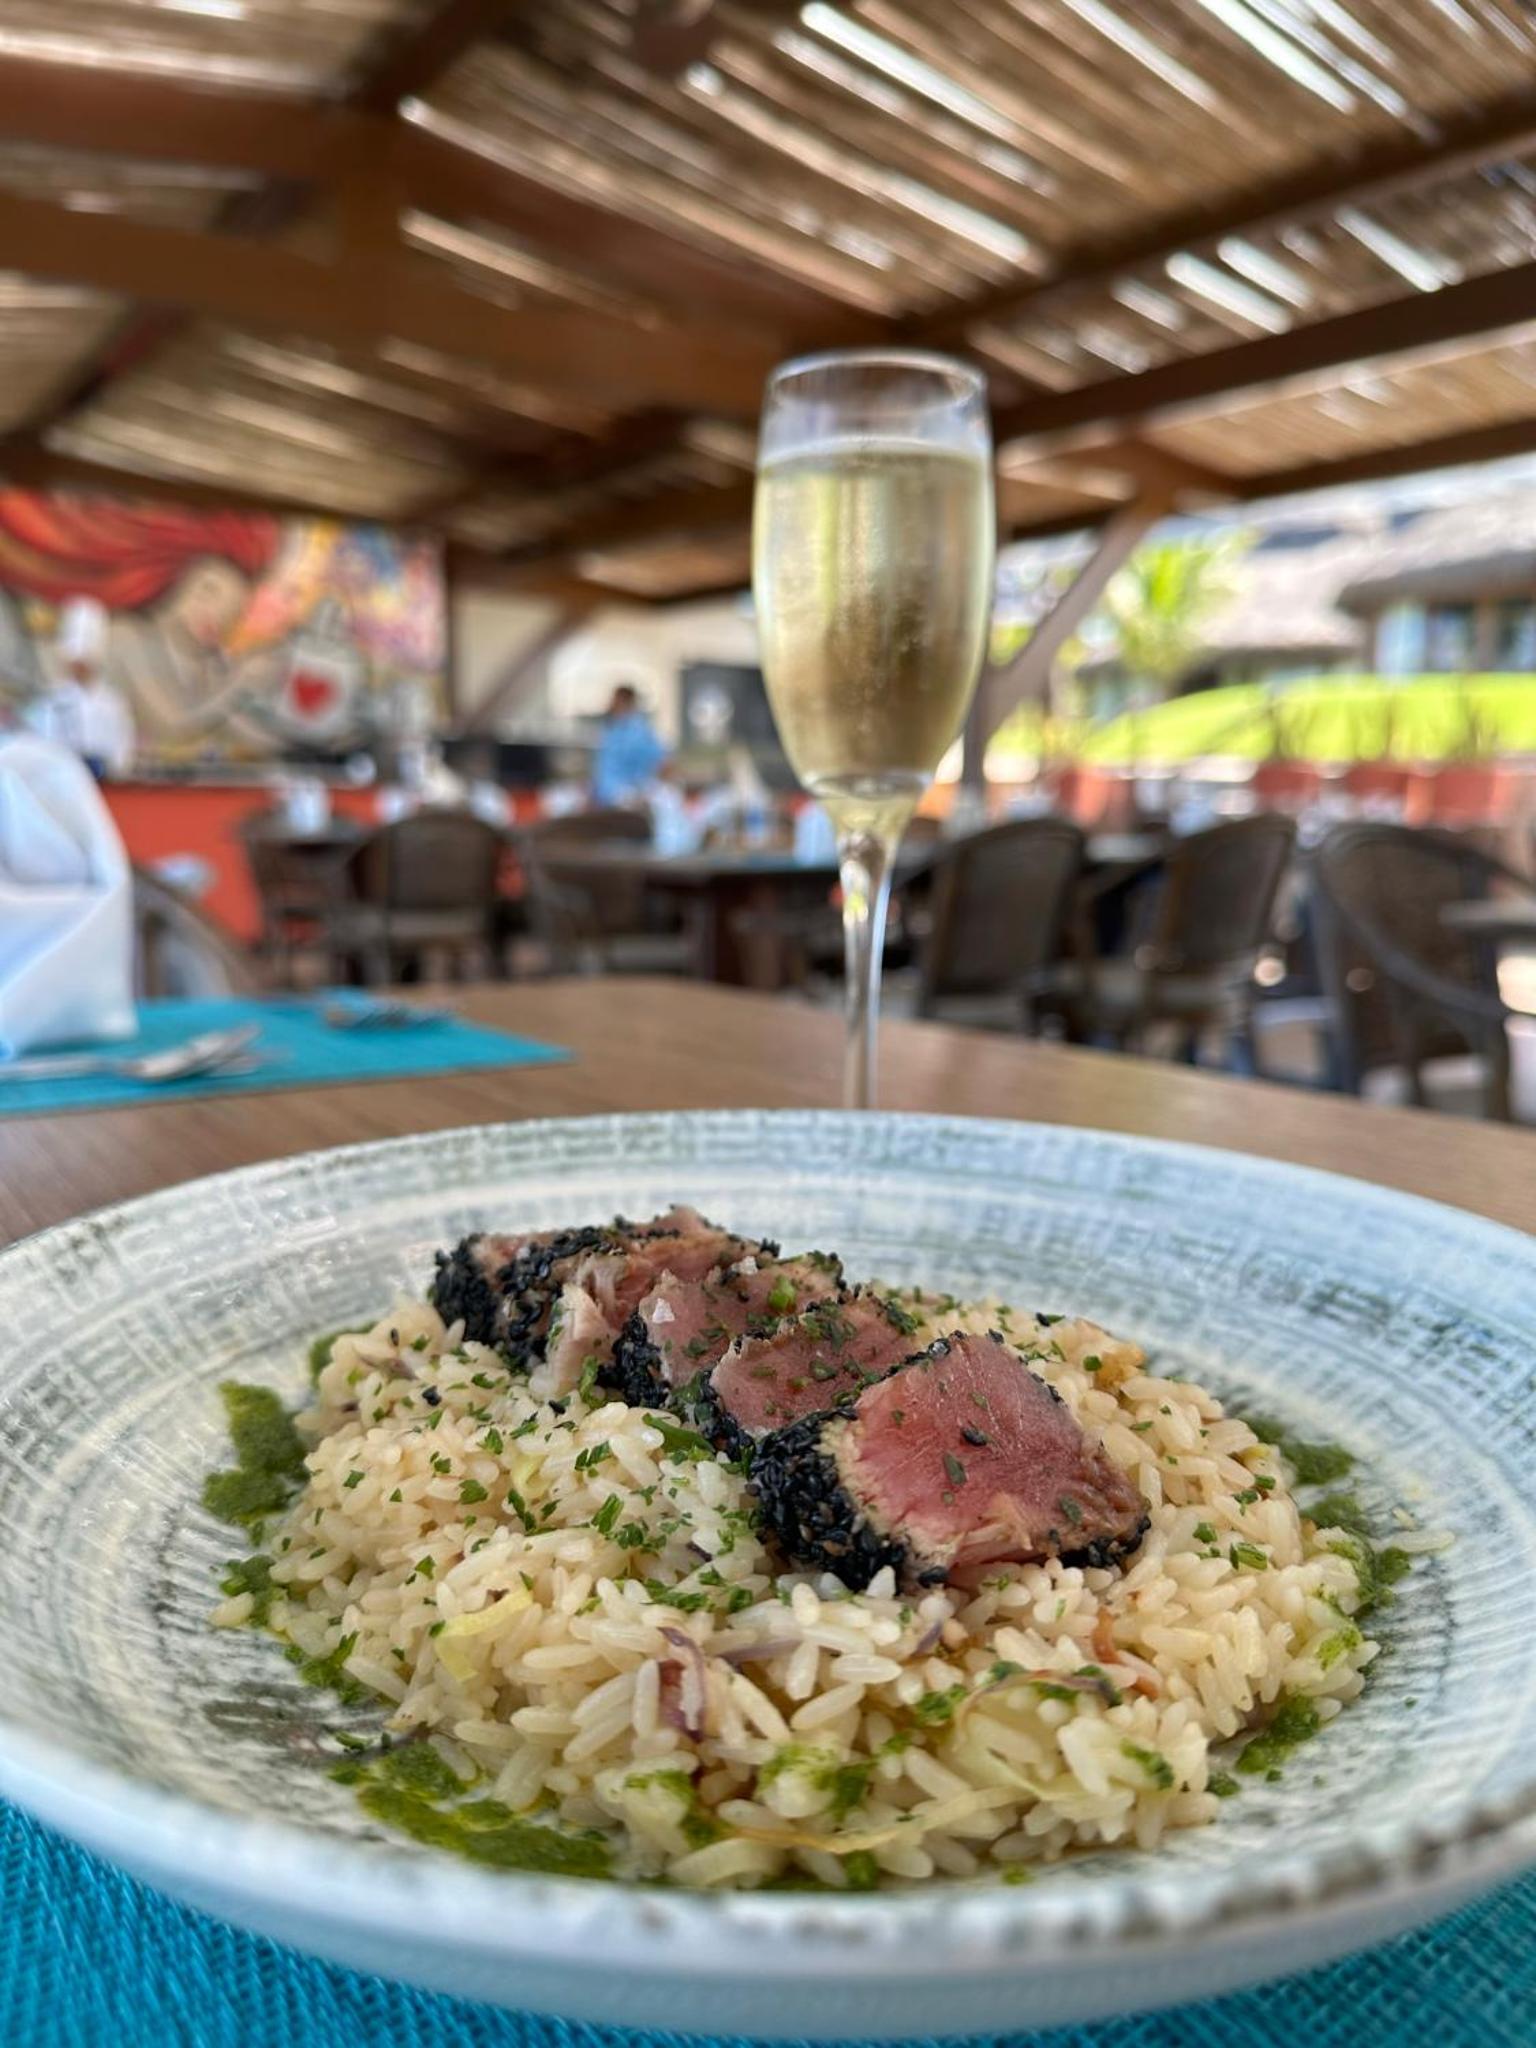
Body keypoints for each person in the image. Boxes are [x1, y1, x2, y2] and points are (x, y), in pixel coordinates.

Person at [24, 597, 136, 778]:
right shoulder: (52, 700)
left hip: (105, 783)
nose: (78, 668)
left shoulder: (112, 702)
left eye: (83, 664)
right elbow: (42, 744)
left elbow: (123, 747)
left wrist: (108, 768)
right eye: (75, 663)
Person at [593, 683, 667, 806]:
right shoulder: (612, 728)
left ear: (626, 702)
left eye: (616, 701)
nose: (611, 704)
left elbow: (661, 763)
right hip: (604, 795)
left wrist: (643, 791)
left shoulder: (640, 731)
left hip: (626, 795)